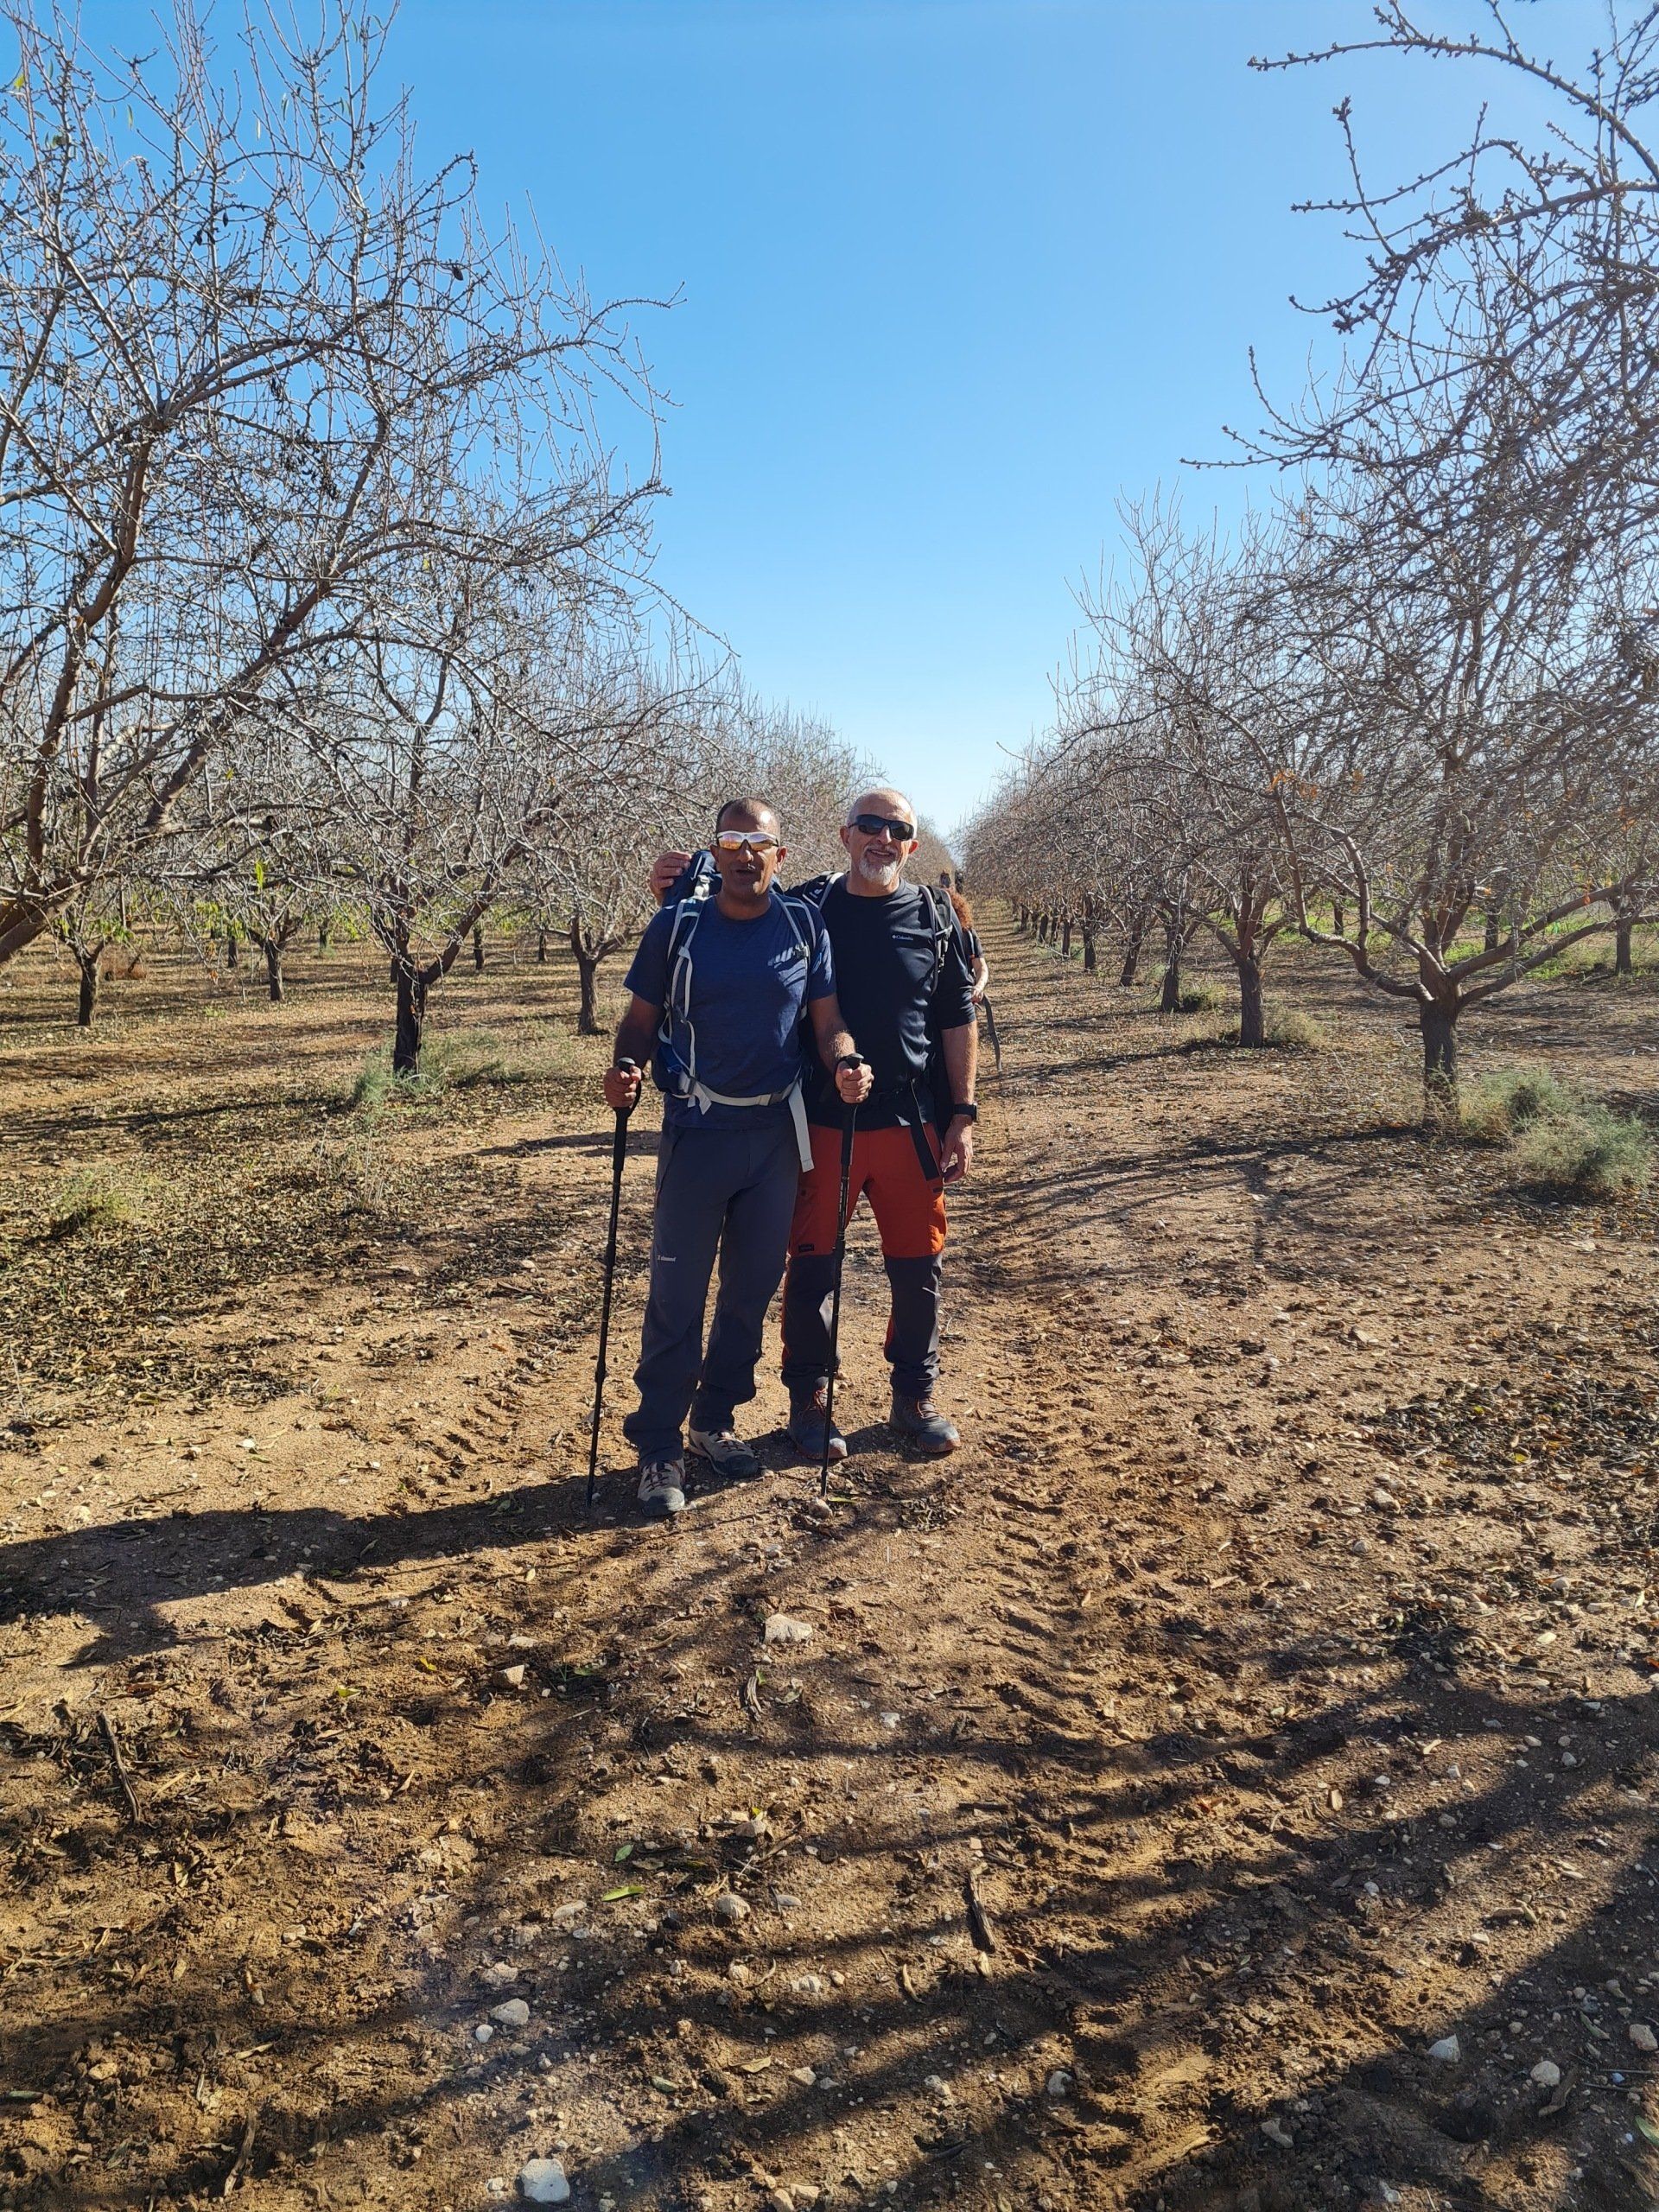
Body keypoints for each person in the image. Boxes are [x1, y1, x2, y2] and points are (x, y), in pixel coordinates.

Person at [651, 787, 979, 1462]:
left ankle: (913, 1396)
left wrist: (964, 1116)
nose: (881, 838)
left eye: (896, 829)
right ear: (844, 835)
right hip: (821, 1123)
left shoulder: (935, 917)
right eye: (869, 825)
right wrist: (673, 885)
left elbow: (957, 1020)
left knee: (918, 1268)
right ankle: (810, 1399)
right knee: (814, 1268)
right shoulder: (811, 906)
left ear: (912, 845)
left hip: (912, 1119)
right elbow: (734, 890)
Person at [605, 798, 871, 1518]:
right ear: (714, 853)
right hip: (697, 1133)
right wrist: (624, 1071)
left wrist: (846, 1062)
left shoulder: (801, 925)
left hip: (774, 1141)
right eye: (733, 840)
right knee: (677, 1298)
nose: (745, 852)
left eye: (760, 842)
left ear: (780, 857)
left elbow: (829, 1023)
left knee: (750, 1293)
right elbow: (638, 1023)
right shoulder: (677, 927)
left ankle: (713, 1421)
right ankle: (658, 1443)